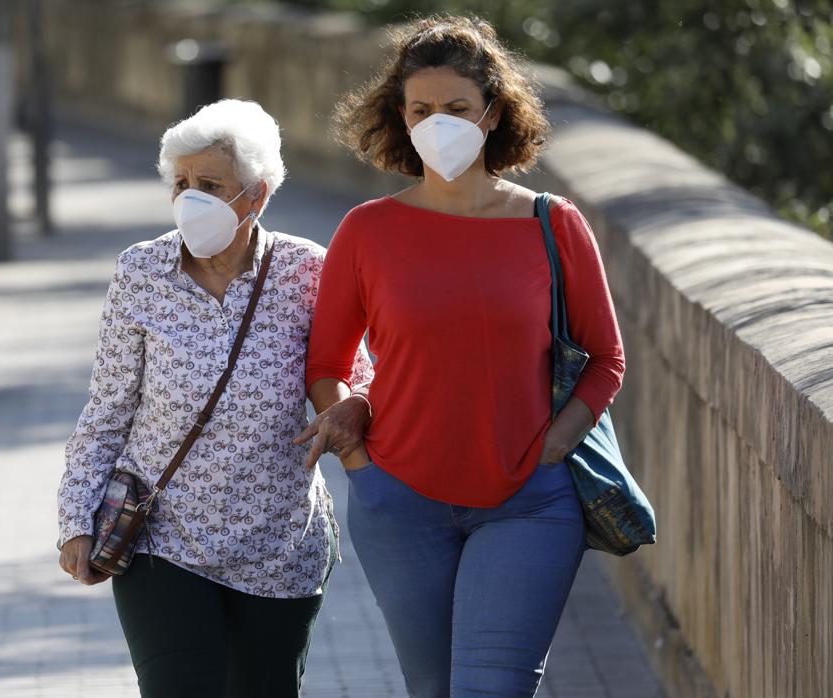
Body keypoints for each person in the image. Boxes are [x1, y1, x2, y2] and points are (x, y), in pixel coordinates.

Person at [298, 15, 626, 698]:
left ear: (492, 114)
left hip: (528, 503)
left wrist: (555, 447)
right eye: (420, 110)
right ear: (400, 116)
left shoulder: (551, 223)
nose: (436, 124)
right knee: (432, 689)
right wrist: (361, 464)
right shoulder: (367, 231)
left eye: (455, 108)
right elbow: (325, 363)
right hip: (398, 504)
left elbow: (605, 357)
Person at [56, 98, 372, 698]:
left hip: (279, 546)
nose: (190, 197)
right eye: (180, 183)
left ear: (258, 194)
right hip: (163, 538)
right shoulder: (141, 273)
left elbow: (359, 376)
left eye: (210, 184)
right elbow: (106, 412)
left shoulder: (309, 271)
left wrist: (354, 407)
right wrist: (76, 521)